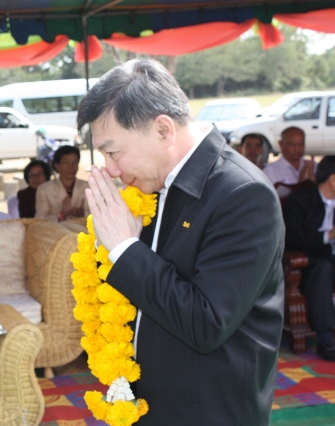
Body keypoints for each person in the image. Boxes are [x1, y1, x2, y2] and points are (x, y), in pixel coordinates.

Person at [78, 59, 284, 425]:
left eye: (113, 151)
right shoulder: (152, 184)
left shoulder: (242, 194)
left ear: (163, 130)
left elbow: (206, 323)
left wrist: (124, 249)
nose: (110, 168)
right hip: (150, 405)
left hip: (208, 411)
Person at [283, 155, 335, 361]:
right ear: (333, 180)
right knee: (323, 269)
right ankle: (326, 339)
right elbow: (292, 238)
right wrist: (329, 235)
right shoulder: (300, 200)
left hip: (330, 258)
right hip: (306, 262)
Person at [35, 145, 89, 221]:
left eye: (75, 162)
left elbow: (97, 213)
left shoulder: (87, 186)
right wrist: (61, 215)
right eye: (66, 162)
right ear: (57, 165)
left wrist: (83, 213)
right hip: (56, 228)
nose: (71, 166)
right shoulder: (44, 189)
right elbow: (40, 219)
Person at [263, 126, 316, 196]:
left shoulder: (314, 166)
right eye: (292, 145)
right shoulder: (270, 171)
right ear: (281, 144)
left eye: (301, 144)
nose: (297, 149)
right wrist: (304, 182)